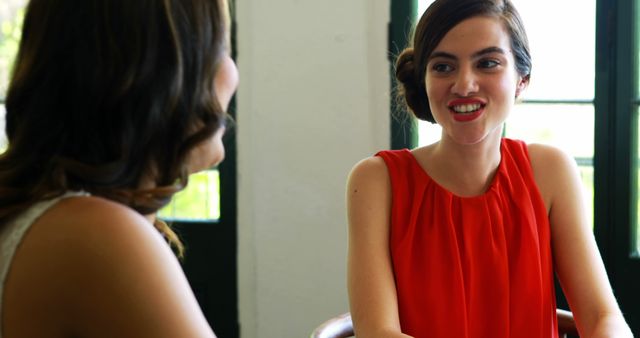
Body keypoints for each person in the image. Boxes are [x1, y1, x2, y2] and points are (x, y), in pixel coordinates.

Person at [346, 0, 633, 337]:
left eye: (488, 63)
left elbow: (602, 316)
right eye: (443, 67)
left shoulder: (551, 172)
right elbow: (378, 331)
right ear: (423, 78)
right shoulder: (376, 181)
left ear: (521, 79)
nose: (464, 85)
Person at [0, 0, 238, 336]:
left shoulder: (49, 212)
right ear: (169, 74)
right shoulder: (94, 234)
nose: (232, 71)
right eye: (220, 47)